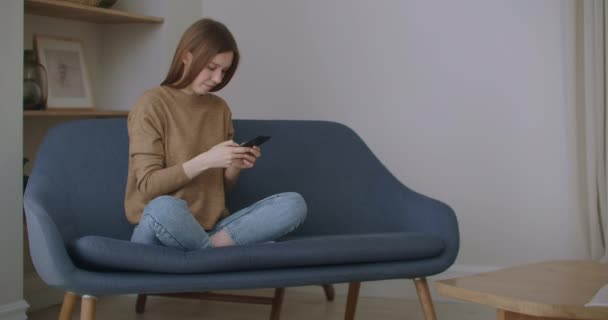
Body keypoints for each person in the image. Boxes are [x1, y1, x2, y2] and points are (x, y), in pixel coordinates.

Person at [124, 18, 307, 251]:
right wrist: (206, 159)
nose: (218, 79)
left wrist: (235, 164)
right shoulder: (151, 104)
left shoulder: (219, 108)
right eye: (211, 68)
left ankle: (207, 249)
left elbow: (218, 189)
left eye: (224, 71)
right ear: (186, 57)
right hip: (161, 226)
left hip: (212, 228)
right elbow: (149, 186)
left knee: (293, 204)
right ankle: (218, 252)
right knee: (164, 207)